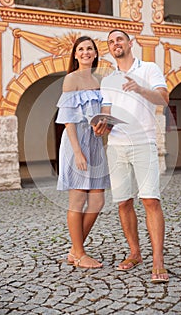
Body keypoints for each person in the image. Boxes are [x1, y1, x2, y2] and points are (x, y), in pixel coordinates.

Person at [94, 29, 169, 283]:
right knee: (124, 202)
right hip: (115, 145)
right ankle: (135, 253)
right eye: (111, 42)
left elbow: (164, 99)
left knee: (150, 201)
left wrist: (140, 88)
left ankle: (158, 260)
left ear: (130, 43)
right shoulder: (108, 80)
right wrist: (101, 125)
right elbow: (106, 110)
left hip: (143, 141)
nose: (115, 44)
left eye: (119, 39)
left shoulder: (149, 69)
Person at [56, 36, 110, 268]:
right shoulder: (71, 79)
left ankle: (74, 249)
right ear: (75, 55)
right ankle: (79, 253)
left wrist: (102, 130)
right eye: (81, 49)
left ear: (95, 53)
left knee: (97, 201)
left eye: (90, 48)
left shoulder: (100, 81)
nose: (86, 52)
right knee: (78, 200)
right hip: (75, 143)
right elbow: (68, 120)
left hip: (95, 144)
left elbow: (101, 117)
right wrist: (77, 152)